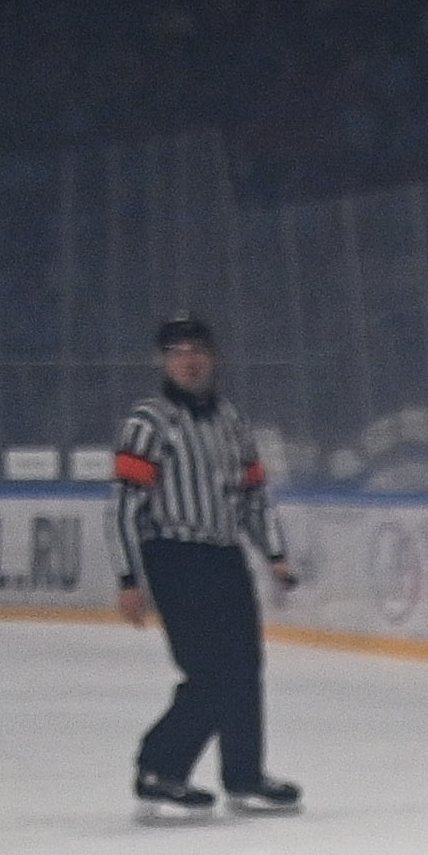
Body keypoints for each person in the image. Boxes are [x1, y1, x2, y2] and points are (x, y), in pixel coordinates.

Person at [109, 314, 300, 823]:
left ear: (213, 357)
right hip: (175, 558)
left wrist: (274, 555)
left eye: (196, 350)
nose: (188, 361)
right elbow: (123, 507)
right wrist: (129, 578)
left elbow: (253, 495)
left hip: (224, 556)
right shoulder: (148, 422)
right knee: (209, 672)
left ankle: (244, 775)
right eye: (177, 353)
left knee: (245, 668)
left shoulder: (230, 420)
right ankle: (158, 768)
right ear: (163, 362)